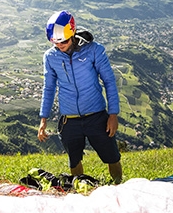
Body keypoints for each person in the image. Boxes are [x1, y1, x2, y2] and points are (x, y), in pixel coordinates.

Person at [37, 10, 123, 184]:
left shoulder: (94, 50)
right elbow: (49, 88)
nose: (59, 45)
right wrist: (43, 119)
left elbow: (109, 82)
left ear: (72, 33)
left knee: (111, 156)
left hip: (97, 116)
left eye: (64, 41)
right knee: (74, 160)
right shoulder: (50, 57)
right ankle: (79, 188)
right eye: (55, 42)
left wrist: (113, 114)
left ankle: (118, 185)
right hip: (70, 119)